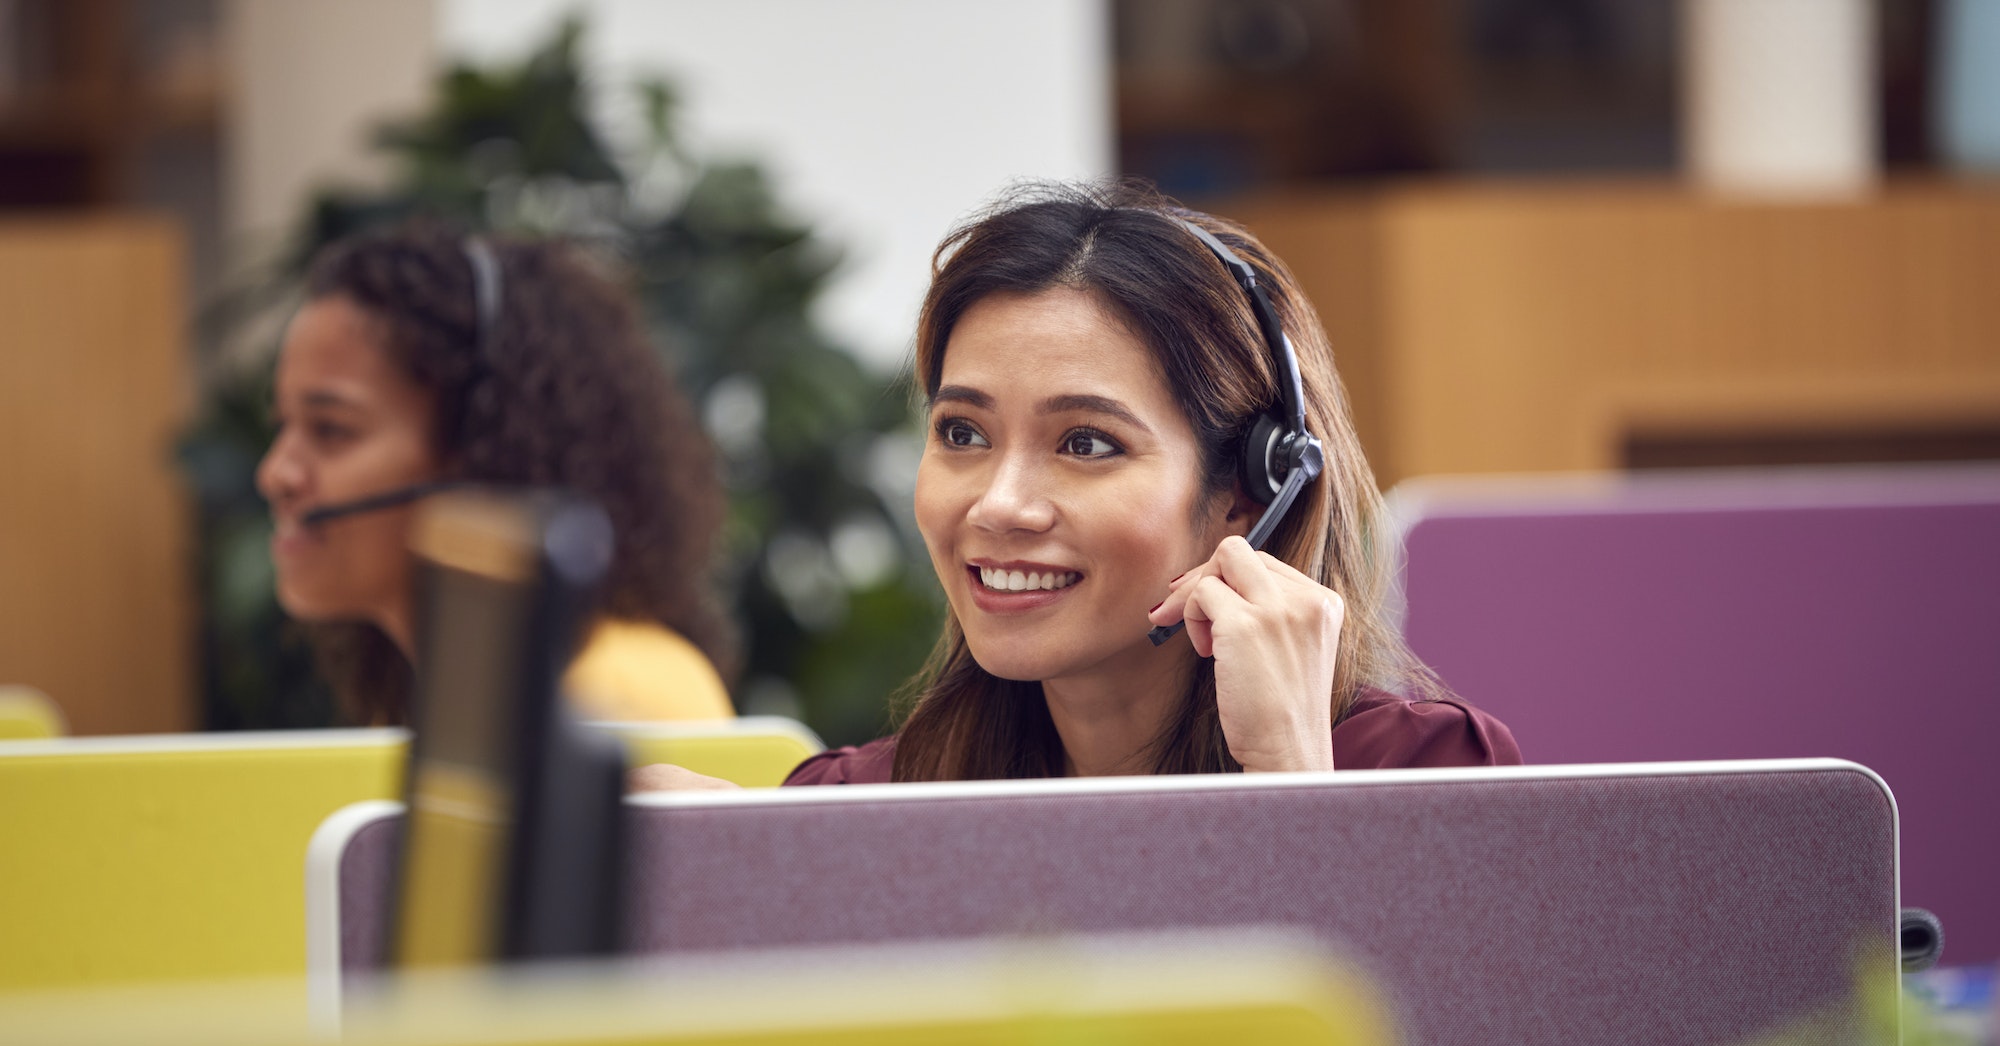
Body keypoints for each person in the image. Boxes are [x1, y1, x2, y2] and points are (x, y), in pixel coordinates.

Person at [635, 180, 1517, 792]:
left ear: (1249, 493)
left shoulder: (1426, 773)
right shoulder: (887, 804)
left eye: (1086, 442)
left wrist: (1287, 774)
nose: (999, 504)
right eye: (963, 433)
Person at [257, 222, 735, 726]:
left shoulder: (607, 701)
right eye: (282, 425)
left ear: (479, 455)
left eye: (331, 430)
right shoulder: (456, 710)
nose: (274, 475)